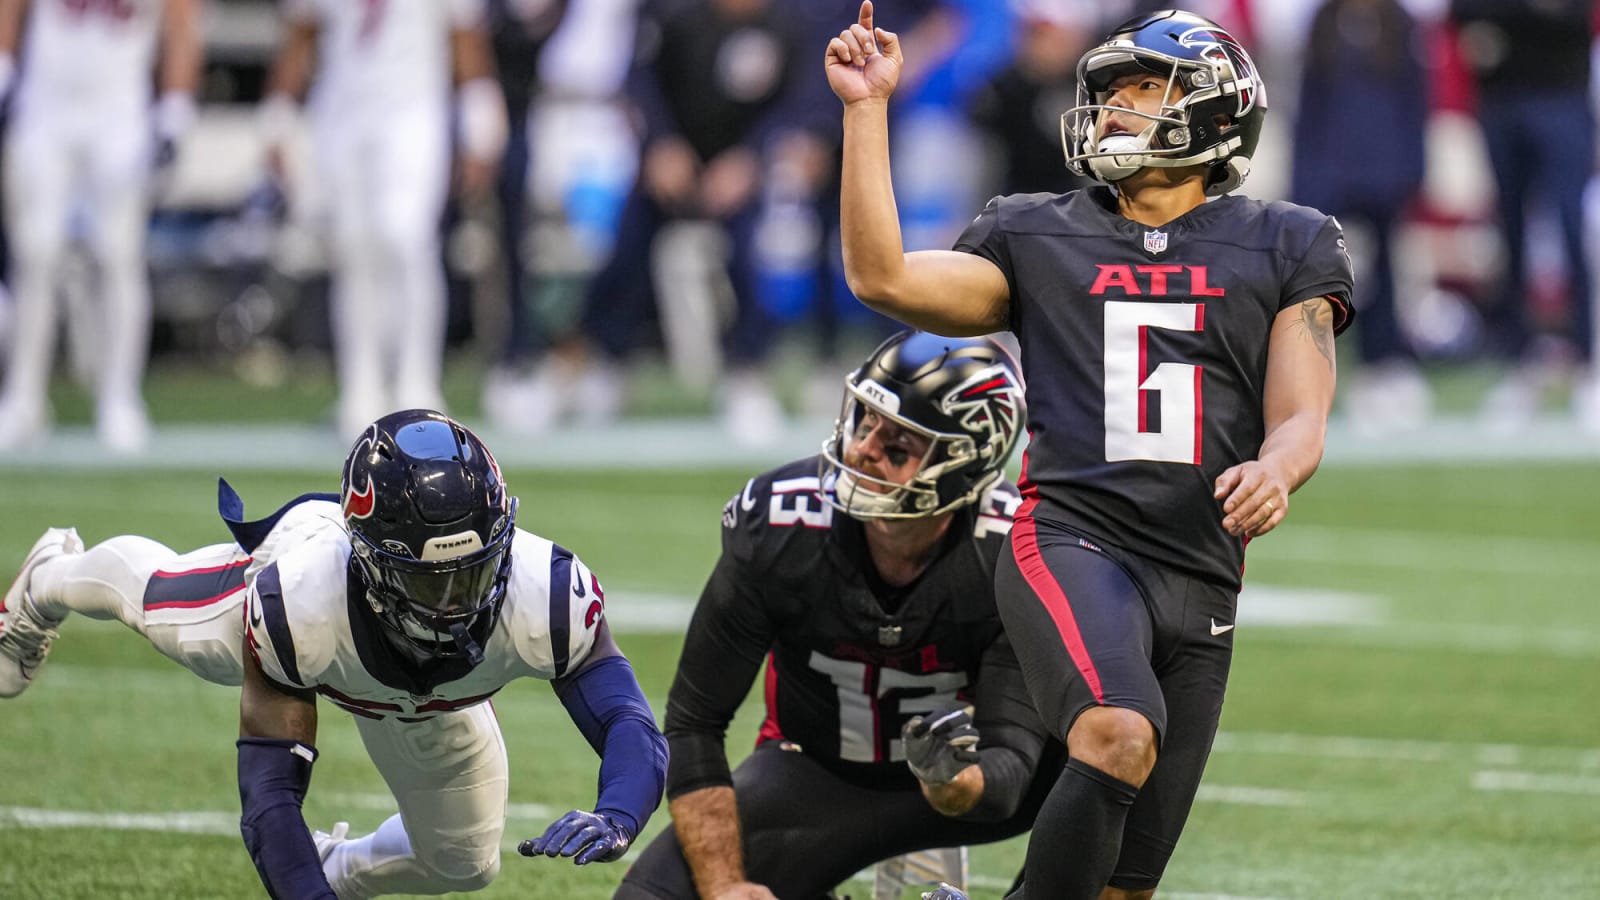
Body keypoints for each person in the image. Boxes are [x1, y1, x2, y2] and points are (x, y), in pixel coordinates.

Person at [827, 5, 1354, 898]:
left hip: (1203, 572)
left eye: (1143, 89)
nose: (1113, 109)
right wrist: (867, 110)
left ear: (1217, 107)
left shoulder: (1288, 239)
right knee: (1117, 734)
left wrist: (1277, 467)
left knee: (1125, 883)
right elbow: (885, 277)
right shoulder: (1035, 230)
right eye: (1108, 92)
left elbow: (1301, 412)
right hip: (1073, 538)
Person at [0, 408, 668, 897]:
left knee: (464, 864)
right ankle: (48, 578)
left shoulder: (545, 590)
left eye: (472, 572)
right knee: (166, 612)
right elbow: (269, 797)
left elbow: (629, 722)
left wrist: (618, 811)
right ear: (373, 561)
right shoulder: (299, 605)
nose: (456, 601)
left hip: (428, 698)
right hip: (311, 575)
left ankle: (341, 868)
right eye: (428, 579)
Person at [614, 330, 1064, 900]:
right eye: (864, 420)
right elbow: (694, 722)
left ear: (961, 465)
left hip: (969, 783)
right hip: (815, 771)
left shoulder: (1012, 553)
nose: (862, 450)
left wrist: (951, 782)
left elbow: (1012, 764)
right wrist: (725, 885)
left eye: (898, 445)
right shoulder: (779, 527)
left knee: (1107, 755)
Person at [260, 0, 509, 440]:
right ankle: (361, 385)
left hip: (413, 108)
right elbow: (301, 33)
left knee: (406, 237)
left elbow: (465, 35)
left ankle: (418, 384)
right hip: (340, 109)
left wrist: (480, 117)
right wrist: (278, 116)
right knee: (353, 248)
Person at [0, 0, 202, 452]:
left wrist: (175, 109)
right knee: (36, 252)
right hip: (44, 106)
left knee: (117, 254)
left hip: (120, 110)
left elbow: (182, 23)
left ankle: (119, 398)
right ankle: (23, 397)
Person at [1448, 0, 1597, 430]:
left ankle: (1588, 364)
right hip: (1502, 102)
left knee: (1572, 230)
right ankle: (1521, 367)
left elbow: (1569, 18)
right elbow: (1466, 18)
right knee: (1510, 235)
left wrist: (1507, 25)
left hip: (1562, 98)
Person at [1292, 0, 1429, 433]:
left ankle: (1384, 364)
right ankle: (1320, 371)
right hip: (1333, 173)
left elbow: (1414, 99)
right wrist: (1306, 178)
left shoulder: (1399, 22)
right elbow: (1309, 104)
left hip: (1384, 174)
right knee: (1328, 279)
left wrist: (1412, 167)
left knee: (1385, 273)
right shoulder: (1324, 21)